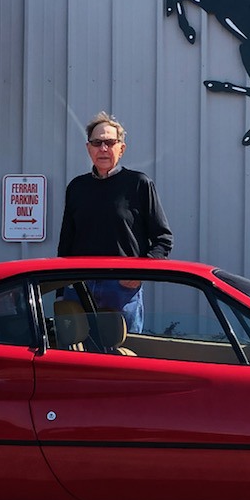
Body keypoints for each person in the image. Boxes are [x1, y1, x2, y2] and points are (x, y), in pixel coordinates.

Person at [57, 111, 173, 334]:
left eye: (110, 142)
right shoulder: (76, 187)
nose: (103, 148)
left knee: (124, 353)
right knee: (75, 352)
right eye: (97, 143)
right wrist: (61, 291)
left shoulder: (139, 184)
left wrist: (139, 274)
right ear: (88, 148)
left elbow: (163, 239)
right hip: (79, 287)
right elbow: (66, 243)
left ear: (122, 148)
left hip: (121, 290)